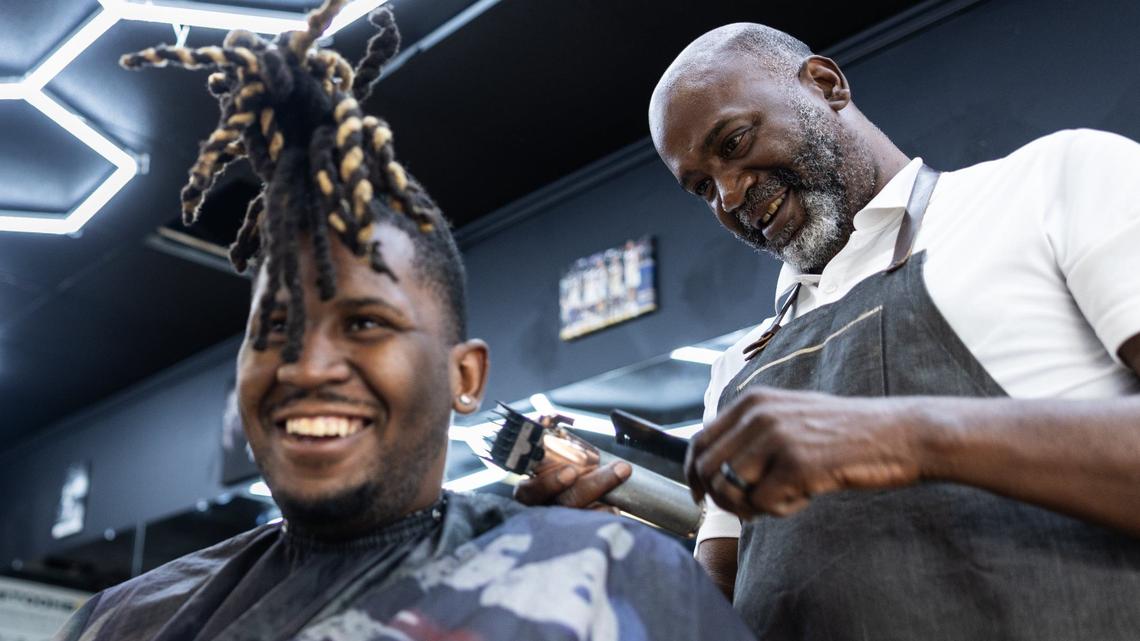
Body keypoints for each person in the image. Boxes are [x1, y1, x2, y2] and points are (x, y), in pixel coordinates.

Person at [53, 6, 756, 640]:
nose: (305, 364)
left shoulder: (612, 582)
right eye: (273, 332)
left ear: (466, 376)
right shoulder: (119, 621)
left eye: (363, 323)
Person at [518, 20, 1140, 641]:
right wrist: (619, 569)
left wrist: (905, 436)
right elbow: (717, 617)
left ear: (825, 85)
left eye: (733, 143)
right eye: (702, 187)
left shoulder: (1050, 186)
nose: (729, 197)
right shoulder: (738, 370)